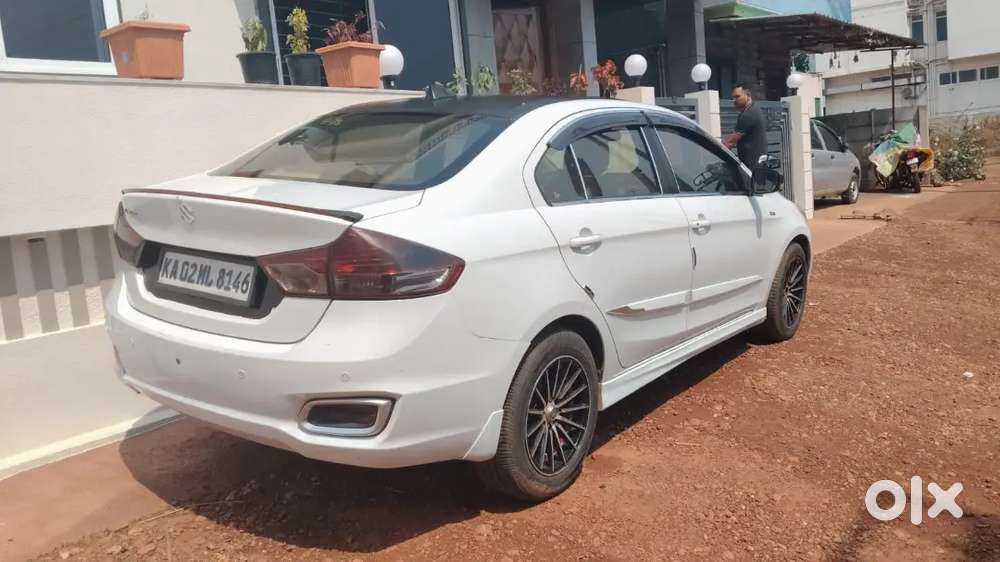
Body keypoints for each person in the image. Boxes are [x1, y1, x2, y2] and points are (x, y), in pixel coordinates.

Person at [723, 83, 768, 169]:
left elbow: (730, 142)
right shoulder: (755, 110)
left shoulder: (749, 114)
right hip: (757, 164)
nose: (734, 100)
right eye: (733, 97)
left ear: (748, 94)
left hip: (752, 166)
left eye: (737, 96)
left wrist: (714, 152)